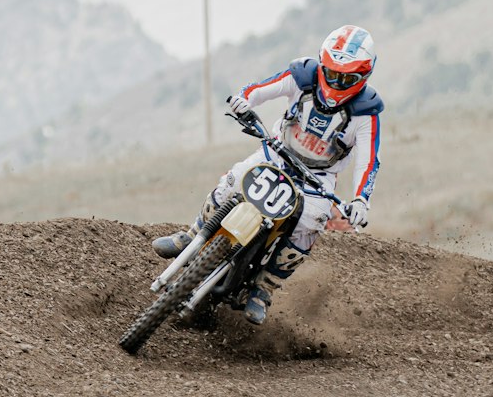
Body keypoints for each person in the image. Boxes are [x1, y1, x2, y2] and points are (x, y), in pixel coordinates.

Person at [153, 25, 383, 324]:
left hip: (318, 177)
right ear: (322, 64)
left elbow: (369, 161)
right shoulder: (302, 76)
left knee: (312, 220)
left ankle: (264, 288)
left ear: (363, 78)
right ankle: (192, 234)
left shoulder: (366, 113)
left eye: (346, 78)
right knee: (233, 181)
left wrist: (361, 200)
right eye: (331, 74)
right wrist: (243, 100)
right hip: (276, 152)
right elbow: (260, 89)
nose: (336, 83)